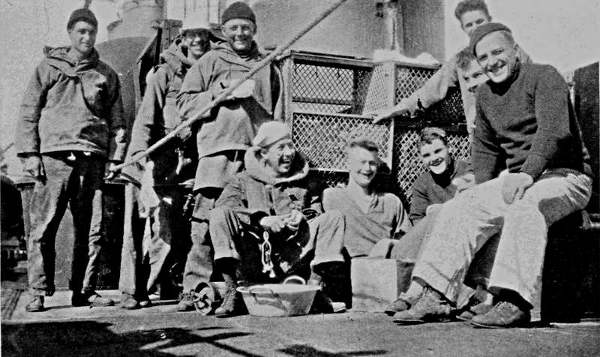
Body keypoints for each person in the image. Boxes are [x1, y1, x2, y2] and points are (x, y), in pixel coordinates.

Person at [393, 23, 592, 328]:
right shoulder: (484, 94)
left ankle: (513, 302)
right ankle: (435, 294)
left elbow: (555, 131)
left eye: (498, 51)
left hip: (565, 176)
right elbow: (485, 151)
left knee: (527, 206)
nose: (492, 61)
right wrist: (480, 192)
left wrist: (526, 175)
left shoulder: (544, 76)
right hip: (517, 178)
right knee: (461, 206)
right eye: (483, 57)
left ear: (515, 51)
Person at [15, 8, 127, 312]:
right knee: (43, 228)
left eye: (91, 32)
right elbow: (29, 113)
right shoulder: (47, 67)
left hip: (91, 160)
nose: (86, 37)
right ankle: (38, 291)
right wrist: (29, 154)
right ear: (70, 33)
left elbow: (117, 122)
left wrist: (114, 159)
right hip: (54, 160)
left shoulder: (105, 74)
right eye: (80, 31)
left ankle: (84, 290)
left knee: (91, 230)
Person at [175, 1, 282, 311]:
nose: (240, 33)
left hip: (253, 159)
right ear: (224, 31)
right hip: (216, 156)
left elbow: (278, 116)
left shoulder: (268, 66)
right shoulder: (209, 61)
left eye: (245, 27)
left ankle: (242, 290)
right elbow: (183, 105)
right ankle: (193, 289)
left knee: (249, 222)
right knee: (204, 223)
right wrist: (222, 91)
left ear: (254, 30)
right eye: (233, 27)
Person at [118, 17, 217, 309]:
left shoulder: (208, 75)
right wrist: (139, 160)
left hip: (179, 166)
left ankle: (145, 289)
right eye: (192, 35)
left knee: (166, 234)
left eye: (203, 35)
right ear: (183, 39)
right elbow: (146, 118)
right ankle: (128, 291)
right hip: (150, 160)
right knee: (135, 229)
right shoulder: (165, 73)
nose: (198, 40)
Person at [205, 122, 329, 316]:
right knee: (218, 215)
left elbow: (316, 209)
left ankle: (314, 292)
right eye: (281, 147)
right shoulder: (242, 180)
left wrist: (302, 216)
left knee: (334, 219)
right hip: (255, 257)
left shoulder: (305, 182)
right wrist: (261, 220)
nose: (289, 153)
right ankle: (232, 290)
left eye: (290, 146)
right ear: (263, 153)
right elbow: (224, 207)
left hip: (293, 257)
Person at [371, 0, 530, 139]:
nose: (475, 28)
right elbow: (430, 91)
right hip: (481, 142)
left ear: (489, 21)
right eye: (469, 24)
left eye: (480, 21)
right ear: (463, 28)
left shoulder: (513, 53)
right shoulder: (461, 60)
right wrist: (396, 109)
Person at [310, 138, 412, 307]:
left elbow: (409, 243)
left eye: (372, 163)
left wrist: (389, 244)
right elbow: (316, 234)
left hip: (379, 279)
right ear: (348, 164)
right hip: (341, 278)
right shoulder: (331, 197)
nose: (367, 168)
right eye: (361, 162)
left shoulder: (391, 201)